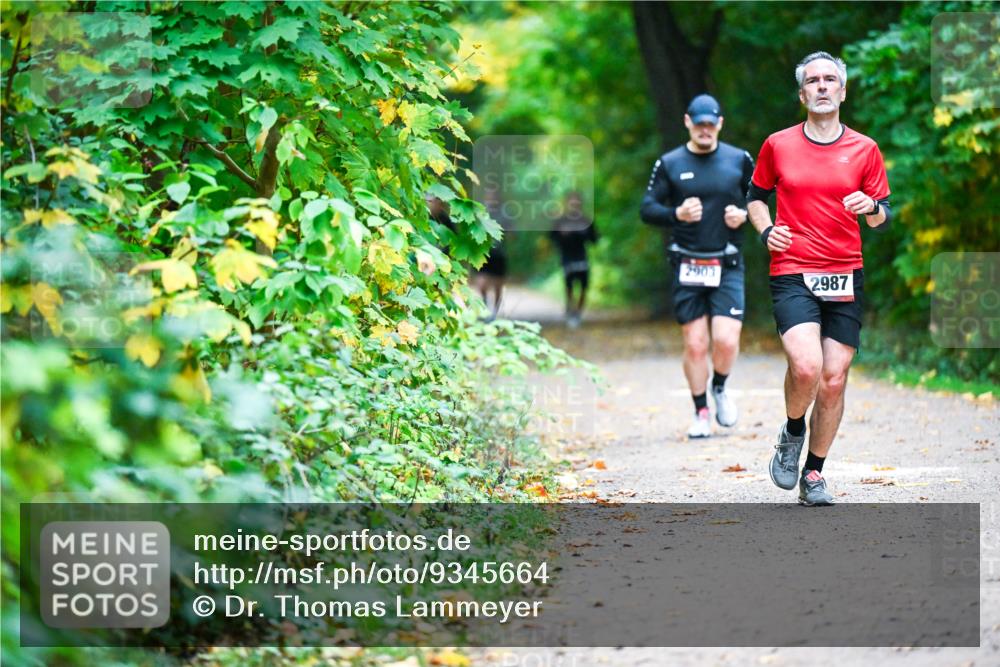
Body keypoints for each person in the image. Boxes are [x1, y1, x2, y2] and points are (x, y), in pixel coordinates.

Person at [746, 51, 891, 506]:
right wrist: (767, 230)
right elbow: (755, 197)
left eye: (831, 79)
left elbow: (882, 216)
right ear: (803, 93)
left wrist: (872, 208)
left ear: (843, 91)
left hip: (845, 272)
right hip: (793, 269)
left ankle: (813, 473)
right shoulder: (778, 145)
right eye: (814, 80)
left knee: (833, 378)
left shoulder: (865, 149)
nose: (823, 86)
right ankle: (792, 431)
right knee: (806, 366)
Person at [639, 94, 755, 439]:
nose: (705, 130)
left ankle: (719, 386)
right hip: (686, 263)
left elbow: (760, 200)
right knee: (695, 344)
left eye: (711, 124)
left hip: (727, 261)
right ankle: (701, 411)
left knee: (726, 340)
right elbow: (647, 208)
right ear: (688, 122)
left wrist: (745, 215)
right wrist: (676, 213)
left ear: (719, 123)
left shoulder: (739, 159)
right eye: (699, 123)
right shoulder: (670, 163)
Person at [548, 191, 597, 329]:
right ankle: (570, 310)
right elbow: (552, 237)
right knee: (569, 286)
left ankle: (578, 313)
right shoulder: (561, 220)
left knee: (583, 287)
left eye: (576, 201)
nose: (574, 204)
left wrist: (585, 234)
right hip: (567, 258)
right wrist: (562, 235)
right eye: (572, 201)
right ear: (567, 203)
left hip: (582, 257)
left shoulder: (586, 220)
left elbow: (594, 239)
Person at [475, 186, 510, 321]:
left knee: (498, 285)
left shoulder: (504, 214)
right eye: (489, 196)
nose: (492, 199)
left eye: (494, 196)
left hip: (499, 254)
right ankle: (485, 305)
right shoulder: (480, 213)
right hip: (483, 253)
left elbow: (512, 232)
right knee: (482, 283)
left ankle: (494, 312)